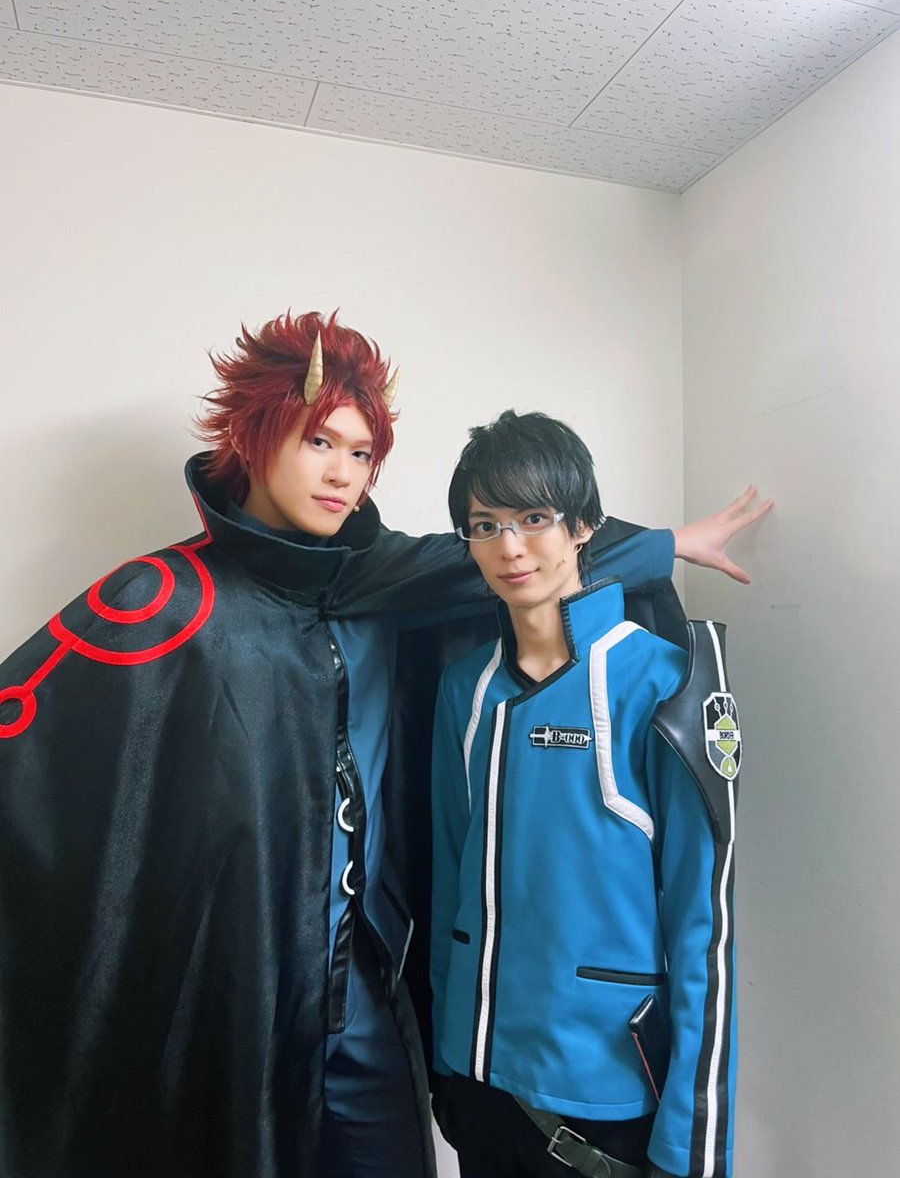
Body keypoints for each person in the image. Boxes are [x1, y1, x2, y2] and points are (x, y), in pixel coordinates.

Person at [0, 312, 764, 1178]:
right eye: (319, 441)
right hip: (239, 983)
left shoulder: (382, 579)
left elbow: (529, 558)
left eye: (362, 453)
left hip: (369, 981)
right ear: (254, 436)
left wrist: (671, 545)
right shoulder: (168, 599)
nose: (342, 473)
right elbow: (32, 752)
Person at [431, 410, 750, 1178]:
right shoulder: (462, 688)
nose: (510, 547)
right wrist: (445, 1063)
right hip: (478, 1082)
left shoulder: (666, 684)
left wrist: (694, 1147)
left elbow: (705, 926)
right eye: (485, 525)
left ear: (582, 526)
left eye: (533, 518)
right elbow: (447, 881)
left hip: (604, 1096)